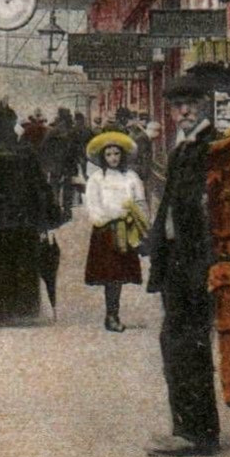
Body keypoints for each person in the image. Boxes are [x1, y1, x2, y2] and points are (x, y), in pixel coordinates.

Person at [144, 71, 221, 457]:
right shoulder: (183, 147)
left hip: (196, 259)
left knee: (185, 341)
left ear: (205, 104)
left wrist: (209, 263)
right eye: (177, 105)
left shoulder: (212, 146)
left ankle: (195, 432)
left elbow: (211, 209)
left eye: (191, 103)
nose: (184, 110)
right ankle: (190, 428)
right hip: (178, 258)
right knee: (179, 340)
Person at [0, 101, 60, 326]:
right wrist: (48, 214)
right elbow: (39, 185)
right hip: (21, 216)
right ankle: (21, 307)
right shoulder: (24, 151)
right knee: (19, 259)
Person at [83, 131, 147, 332]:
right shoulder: (96, 179)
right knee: (110, 274)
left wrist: (139, 219)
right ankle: (111, 316)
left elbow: (140, 201)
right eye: (108, 154)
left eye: (116, 154)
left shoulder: (131, 177)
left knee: (119, 273)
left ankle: (113, 313)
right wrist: (105, 218)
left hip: (127, 229)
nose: (113, 158)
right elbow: (92, 205)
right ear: (103, 157)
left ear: (122, 156)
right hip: (106, 230)